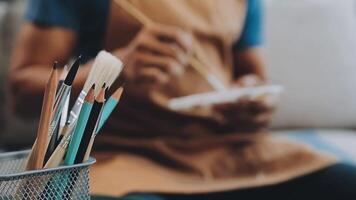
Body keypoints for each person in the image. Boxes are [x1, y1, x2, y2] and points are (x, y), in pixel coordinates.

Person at [8, 0, 356, 199]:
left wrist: (255, 101)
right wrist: (115, 67)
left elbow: (254, 77)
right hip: (123, 157)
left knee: (344, 182)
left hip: (228, 153)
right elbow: (22, 92)